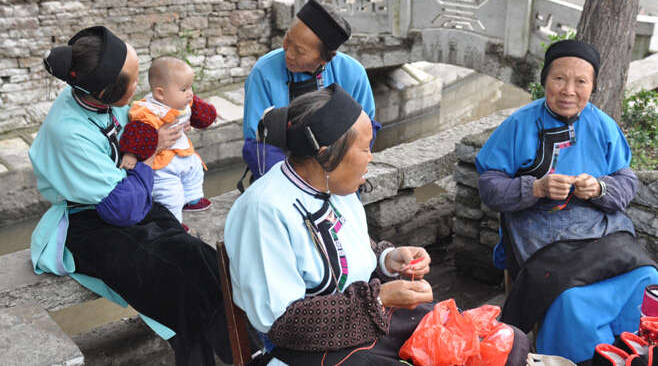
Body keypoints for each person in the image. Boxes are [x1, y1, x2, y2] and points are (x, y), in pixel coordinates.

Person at [225, 84, 531, 366]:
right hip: (311, 350)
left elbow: (344, 253)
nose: (371, 157)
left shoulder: (333, 186)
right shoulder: (264, 212)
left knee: (502, 343)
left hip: (368, 321)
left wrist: (387, 259)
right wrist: (380, 299)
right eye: (365, 148)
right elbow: (283, 325)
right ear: (326, 156)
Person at [30, 26, 234, 365]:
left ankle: (239, 348)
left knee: (200, 259)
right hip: (91, 220)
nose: (139, 87)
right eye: (134, 80)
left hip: (130, 195)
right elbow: (121, 210)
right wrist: (151, 155)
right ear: (107, 92)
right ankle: (245, 351)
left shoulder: (94, 97)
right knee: (176, 269)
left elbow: (143, 125)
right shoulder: (69, 131)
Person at [475, 39, 658, 364]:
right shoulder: (520, 124)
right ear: (545, 79)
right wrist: (536, 189)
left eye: (581, 82)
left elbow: (627, 182)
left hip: (604, 233)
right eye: (559, 78)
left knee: (648, 279)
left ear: (593, 86)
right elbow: (489, 188)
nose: (568, 90)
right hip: (542, 234)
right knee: (569, 299)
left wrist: (600, 188)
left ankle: (632, 353)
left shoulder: (603, 125)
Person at [241, 0, 379, 181]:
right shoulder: (264, 72)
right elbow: (257, 143)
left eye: (300, 51)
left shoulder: (353, 73)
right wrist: (295, 183)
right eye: (288, 39)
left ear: (327, 58)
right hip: (280, 179)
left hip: (338, 178)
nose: (288, 54)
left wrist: (335, 177)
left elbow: (366, 132)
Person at [119, 55, 216, 224]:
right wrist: (130, 154)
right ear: (160, 93)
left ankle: (192, 200)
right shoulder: (149, 111)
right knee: (170, 195)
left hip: (184, 153)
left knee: (195, 171)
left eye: (190, 87)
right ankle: (173, 222)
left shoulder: (183, 103)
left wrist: (210, 114)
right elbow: (136, 133)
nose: (190, 93)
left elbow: (201, 117)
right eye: (184, 90)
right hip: (163, 164)